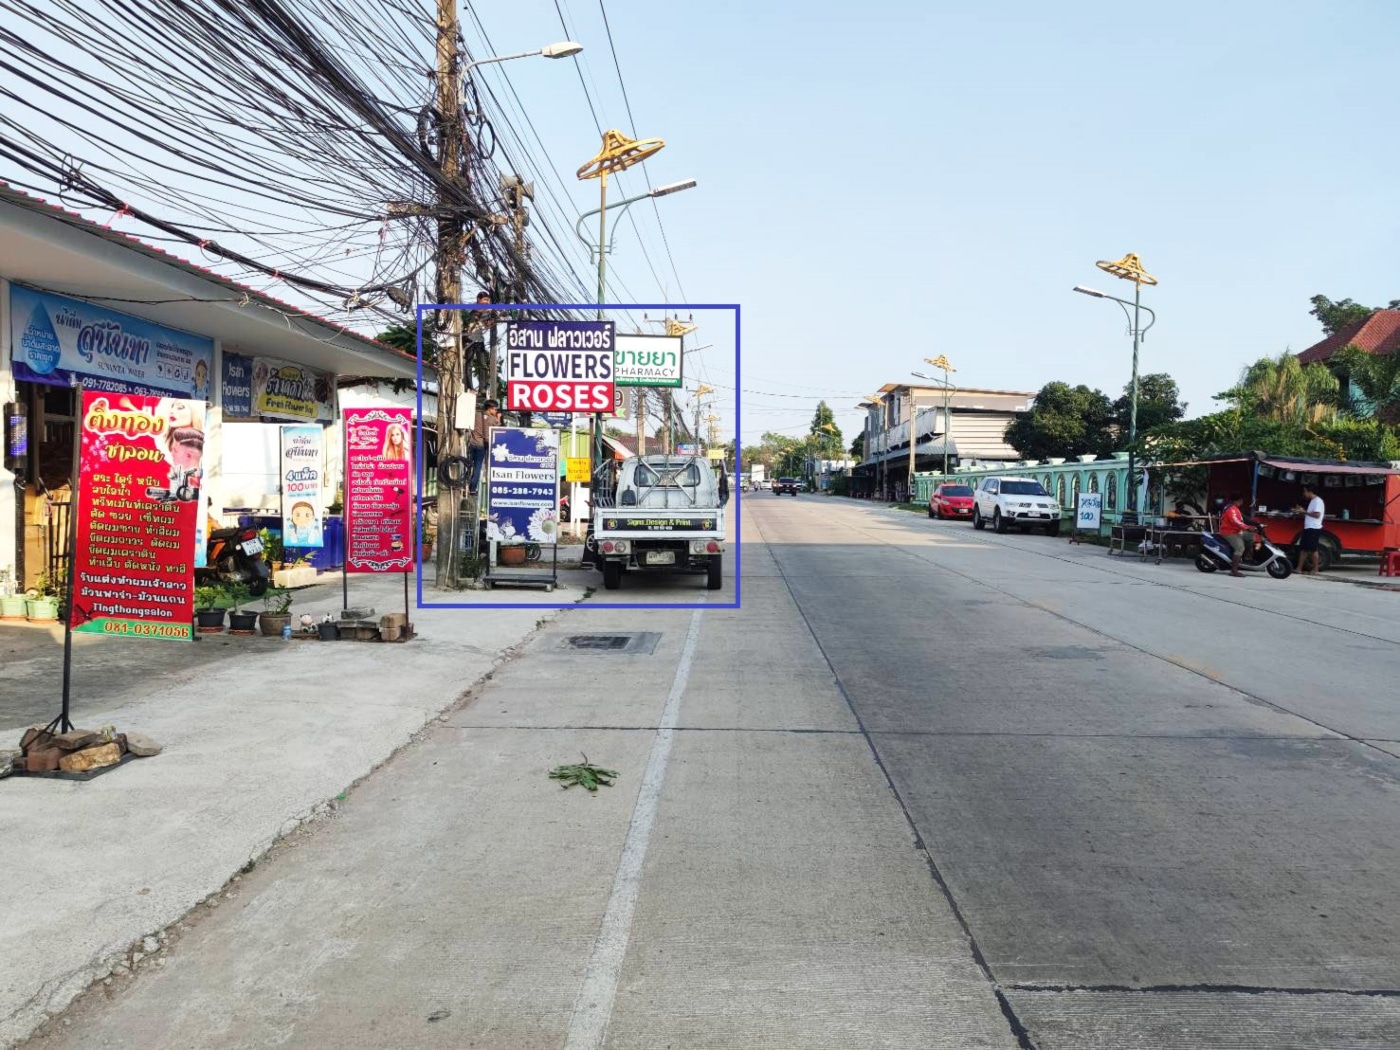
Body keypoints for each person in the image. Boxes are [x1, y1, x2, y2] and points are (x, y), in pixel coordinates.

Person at [467, 399, 500, 494]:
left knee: (468, 464)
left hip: (472, 444)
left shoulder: (476, 415)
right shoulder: (492, 419)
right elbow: (498, 428)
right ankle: (472, 489)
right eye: (495, 409)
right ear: (490, 409)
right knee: (477, 468)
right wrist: (498, 418)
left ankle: (463, 483)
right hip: (481, 446)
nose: (496, 411)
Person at [1218, 493, 1255, 578]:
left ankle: (1243, 559)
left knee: (1250, 537)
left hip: (1236, 531)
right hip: (1229, 532)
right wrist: (1247, 527)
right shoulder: (1231, 509)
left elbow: (1242, 519)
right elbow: (1235, 521)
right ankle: (1234, 570)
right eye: (1241, 500)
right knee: (1240, 548)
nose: (1242, 502)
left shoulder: (1235, 508)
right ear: (1237, 501)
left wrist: (1253, 525)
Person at [1293, 482, 1325, 574]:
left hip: (1314, 528)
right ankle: (1299, 568)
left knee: (1313, 549)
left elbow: (1317, 515)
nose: (1304, 493)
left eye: (1305, 491)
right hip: (1309, 528)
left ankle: (1315, 569)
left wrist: (1304, 512)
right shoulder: (1313, 501)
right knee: (1304, 549)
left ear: (1310, 491)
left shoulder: (1318, 501)